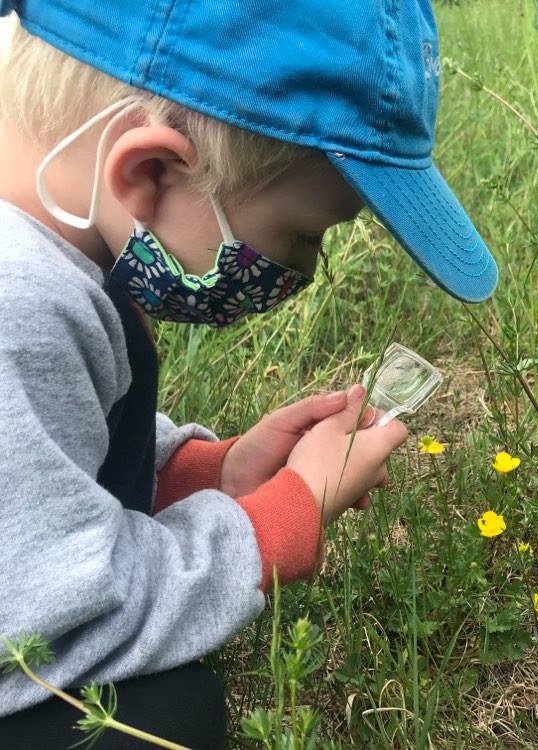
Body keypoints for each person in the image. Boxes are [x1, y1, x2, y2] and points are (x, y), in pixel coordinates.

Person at [0, 0, 498, 746]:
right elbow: (46, 628)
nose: (306, 270)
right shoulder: (21, 307)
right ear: (152, 169)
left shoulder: (60, 250)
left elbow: (48, 460)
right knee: (152, 720)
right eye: (302, 237)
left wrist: (215, 474)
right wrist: (277, 520)